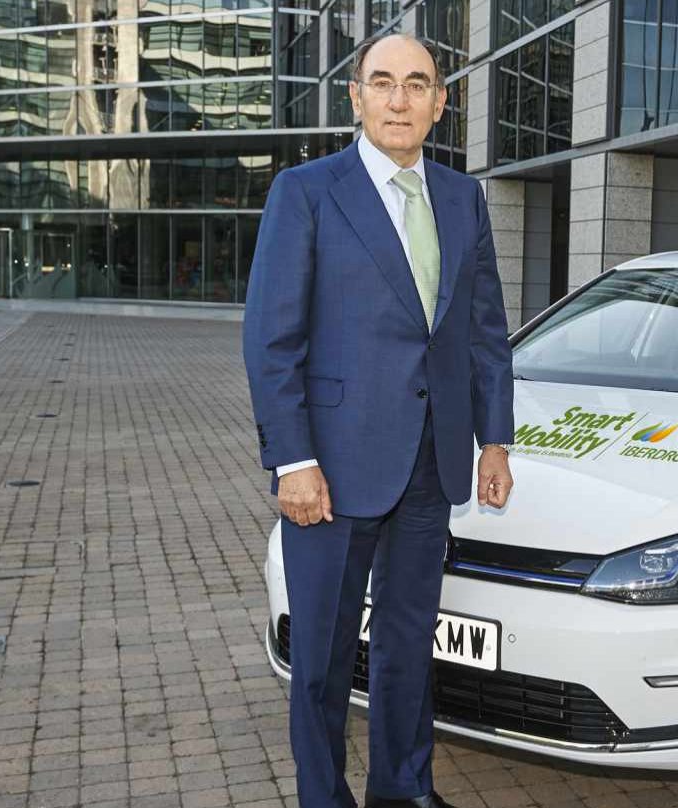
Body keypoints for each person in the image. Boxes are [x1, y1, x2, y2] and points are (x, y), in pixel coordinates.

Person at [241, 33, 515, 808]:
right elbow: (272, 339)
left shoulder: (464, 199)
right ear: (356, 97)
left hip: (431, 467)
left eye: (417, 84)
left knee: (406, 648)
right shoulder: (307, 192)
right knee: (323, 661)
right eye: (383, 83)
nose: (400, 99)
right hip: (331, 470)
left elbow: (483, 333)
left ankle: (404, 791)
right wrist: (292, 460)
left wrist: (494, 439)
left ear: (441, 101)